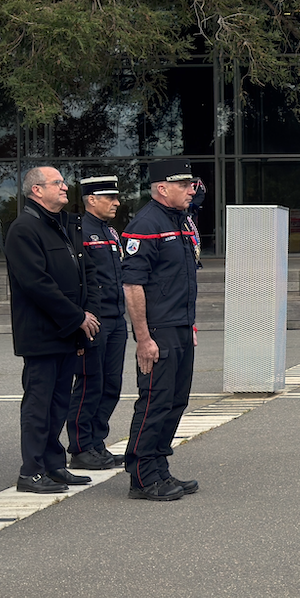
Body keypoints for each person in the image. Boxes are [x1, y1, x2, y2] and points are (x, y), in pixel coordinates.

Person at [5, 166, 99, 494]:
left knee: (59, 402)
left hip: (67, 332)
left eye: (63, 182)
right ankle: (31, 470)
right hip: (42, 334)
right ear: (36, 191)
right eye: (57, 183)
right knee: (39, 404)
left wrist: (87, 310)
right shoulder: (24, 229)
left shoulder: (63, 225)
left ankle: (53, 464)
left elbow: (82, 273)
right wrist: (76, 317)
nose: (64, 187)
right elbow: (37, 284)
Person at [123, 159, 202, 501]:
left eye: (190, 184)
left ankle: (159, 467)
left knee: (175, 401)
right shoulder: (146, 223)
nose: (191, 189)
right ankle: (142, 476)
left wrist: (190, 323)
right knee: (154, 401)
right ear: (161, 188)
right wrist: (143, 337)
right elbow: (133, 285)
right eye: (183, 185)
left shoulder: (181, 220)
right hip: (158, 330)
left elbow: (182, 278)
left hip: (181, 325)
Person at [69, 175, 127, 470]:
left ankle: (97, 442)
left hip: (116, 318)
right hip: (96, 319)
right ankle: (81, 446)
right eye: (110, 198)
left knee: (111, 384)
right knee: (90, 383)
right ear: (92, 200)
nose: (116, 203)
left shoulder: (110, 231)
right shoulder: (80, 231)